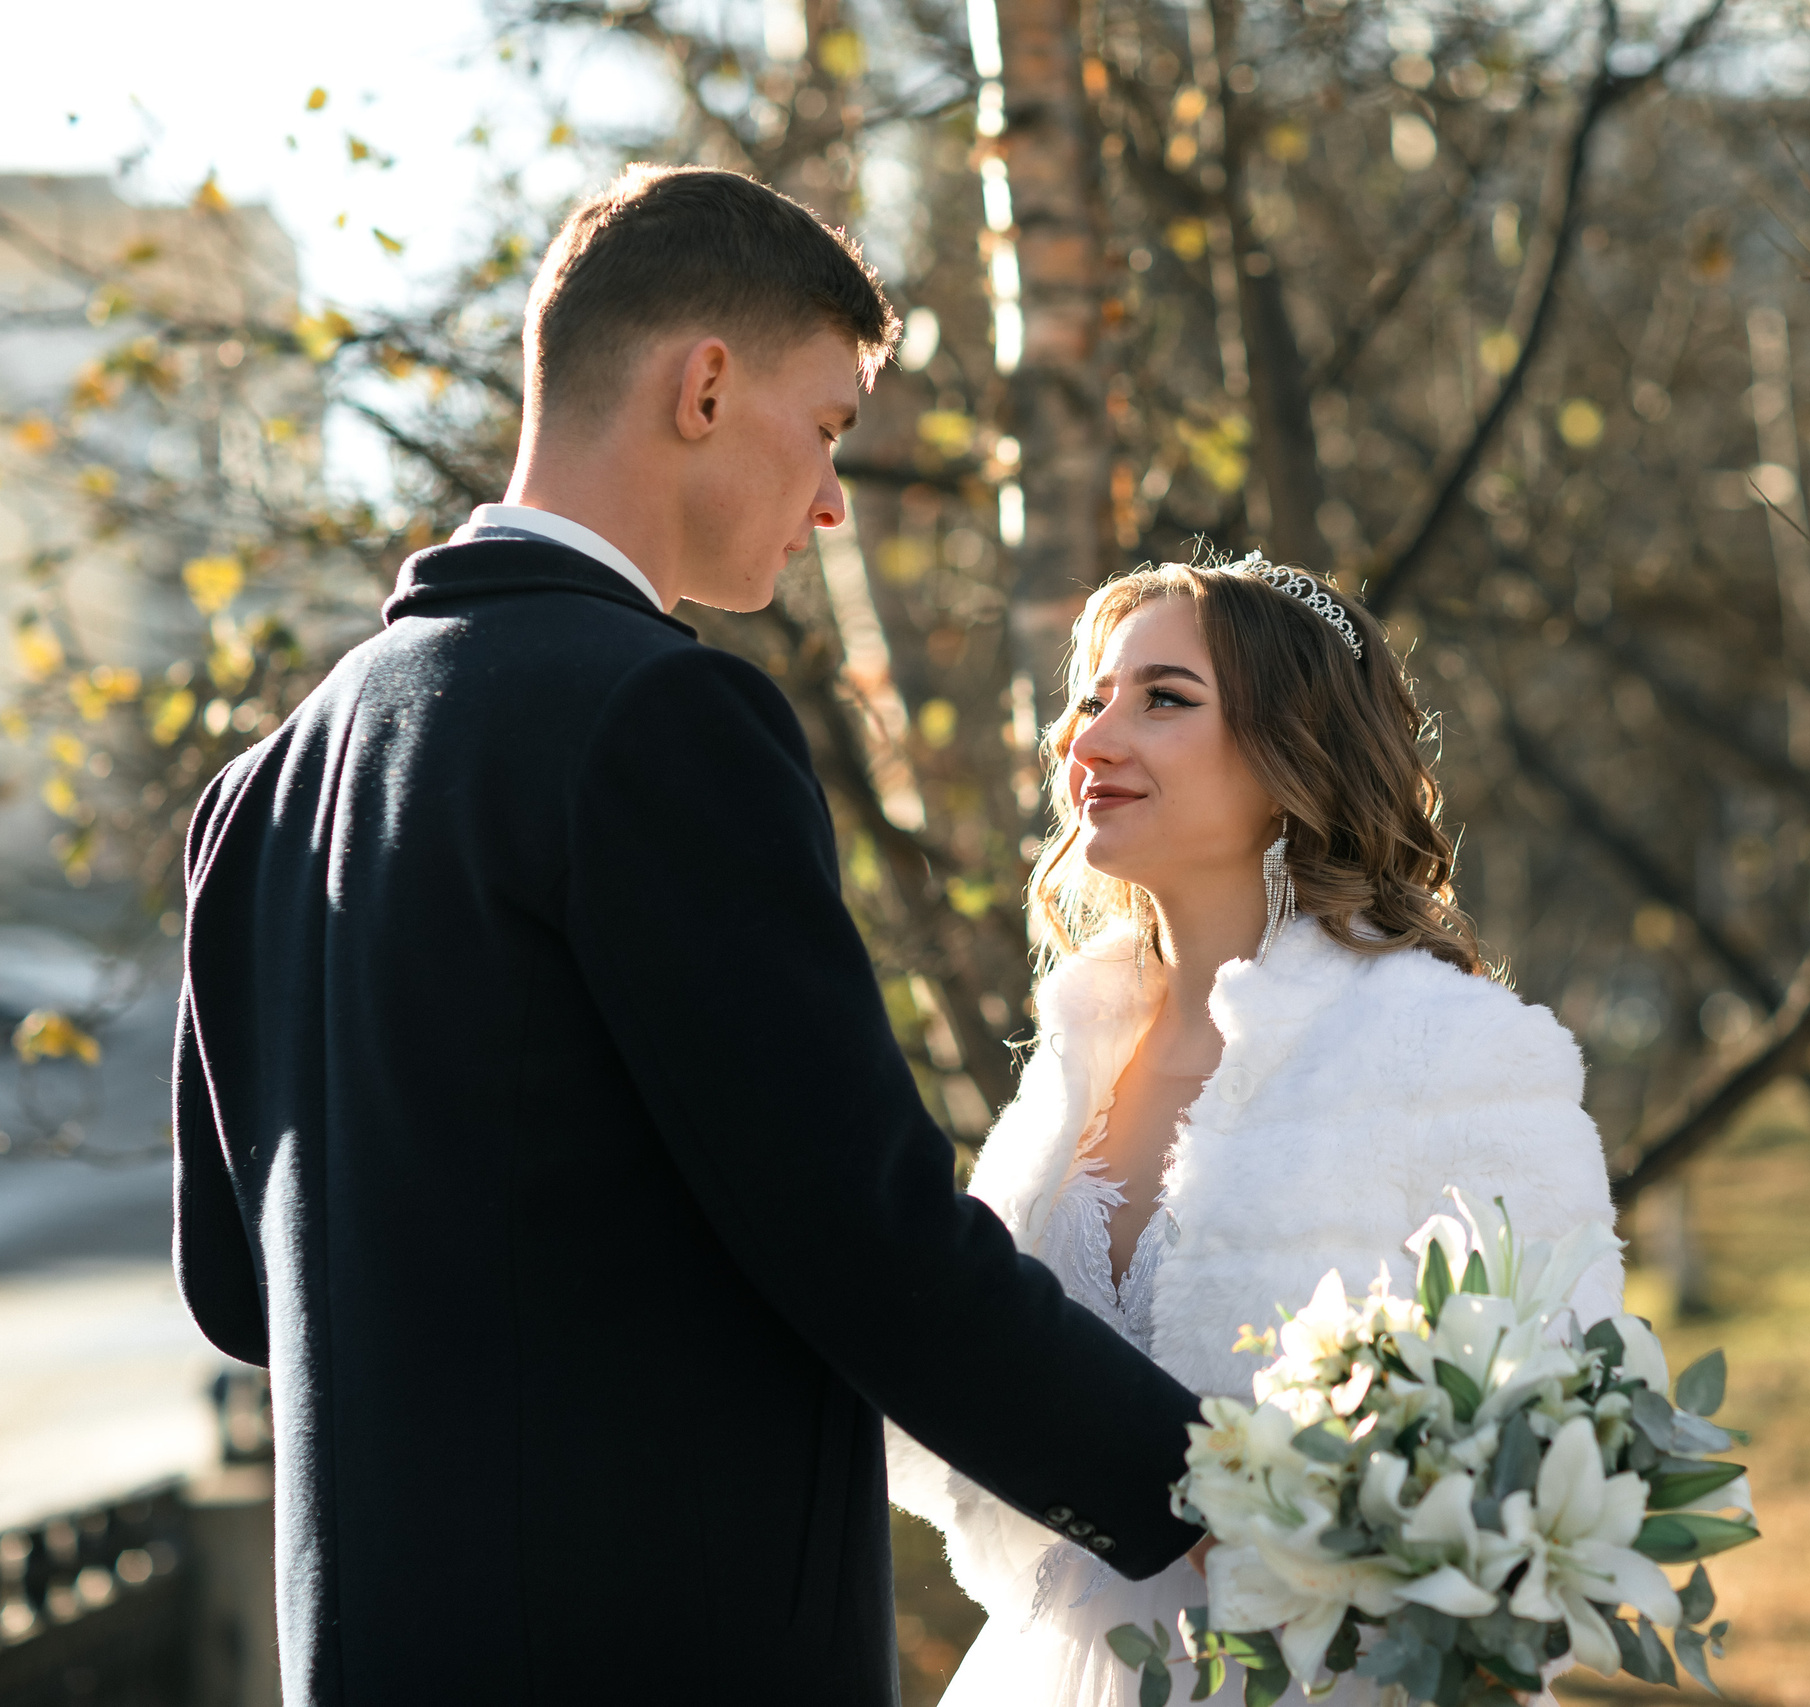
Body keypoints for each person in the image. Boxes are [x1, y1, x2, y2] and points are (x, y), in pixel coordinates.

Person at [170, 164, 1207, 1705]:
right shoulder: (658, 718)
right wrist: (1221, 1492)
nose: (835, 496)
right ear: (706, 386)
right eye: (832, 425)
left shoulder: (261, 789)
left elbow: (237, 1287)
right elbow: (862, 1232)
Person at [887, 558, 1626, 1705]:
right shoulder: (1076, 1058)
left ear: (1294, 756)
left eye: (1164, 699)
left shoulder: (1452, 1050)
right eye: (1092, 698)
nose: (1092, 739)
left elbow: (1563, 1442)